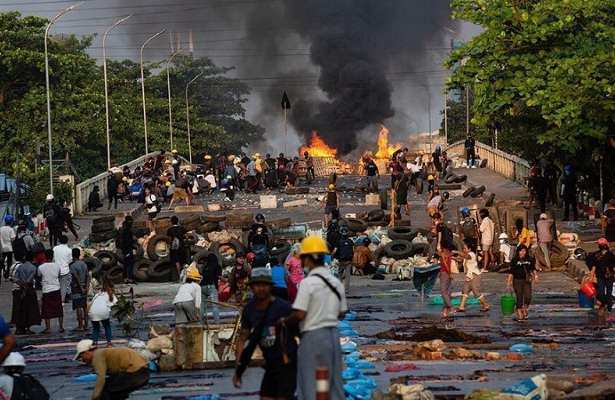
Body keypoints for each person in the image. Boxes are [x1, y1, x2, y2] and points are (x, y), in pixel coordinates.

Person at [281, 236, 347, 400]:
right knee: (331, 381)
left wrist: (284, 321)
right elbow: (342, 312)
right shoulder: (335, 282)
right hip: (332, 337)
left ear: (308, 258)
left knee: (311, 382)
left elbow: (300, 314)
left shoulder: (307, 283)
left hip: (313, 338)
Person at [233, 268, 297, 400]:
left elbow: (299, 333)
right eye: (257, 285)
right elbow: (243, 339)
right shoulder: (249, 310)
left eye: (264, 285)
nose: (261, 289)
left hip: (287, 364)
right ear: (251, 287)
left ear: (270, 287)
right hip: (270, 365)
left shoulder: (283, 307)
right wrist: (239, 368)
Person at [74, 339, 149, 400]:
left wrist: (94, 397)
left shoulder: (97, 355)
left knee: (105, 390)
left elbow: (101, 378)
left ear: (87, 352)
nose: (82, 360)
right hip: (141, 373)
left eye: (81, 357)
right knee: (112, 389)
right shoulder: (103, 353)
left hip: (136, 373)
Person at [454, 240, 490, 312]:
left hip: (475, 276)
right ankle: (461, 307)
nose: (464, 250)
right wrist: (452, 258)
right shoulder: (467, 255)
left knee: (476, 292)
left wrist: (457, 252)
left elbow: (465, 256)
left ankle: (486, 305)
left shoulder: (471, 254)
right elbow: (460, 259)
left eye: (465, 248)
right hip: (469, 276)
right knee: (465, 290)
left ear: (469, 249)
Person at [10, 253, 40, 335]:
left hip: (20, 288)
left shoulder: (20, 267)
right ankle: (27, 328)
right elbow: (29, 280)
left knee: (20, 309)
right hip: (29, 290)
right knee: (29, 309)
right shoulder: (33, 268)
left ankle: (20, 328)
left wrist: (21, 285)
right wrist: (25, 288)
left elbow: (15, 278)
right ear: (32, 259)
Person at [434, 213, 456, 319]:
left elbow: (445, 263)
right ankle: (445, 312)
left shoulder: (443, 253)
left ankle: (451, 308)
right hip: (444, 271)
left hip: (445, 272)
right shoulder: (449, 251)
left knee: (443, 292)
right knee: (447, 291)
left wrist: (449, 273)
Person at [38, 249, 64, 333]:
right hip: (56, 288)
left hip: (46, 290)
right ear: (52, 256)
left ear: (45, 256)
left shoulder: (41, 267)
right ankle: (61, 327)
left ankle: (48, 328)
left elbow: (39, 276)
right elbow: (59, 275)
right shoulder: (57, 266)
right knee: (59, 309)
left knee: (46, 310)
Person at [587, 238, 615, 312]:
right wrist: (591, 276)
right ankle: (604, 304)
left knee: (609, 293)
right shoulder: (596, 255)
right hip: (600, 276)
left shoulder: (610, 255)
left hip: (609, 276)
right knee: (601, 292)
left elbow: (613, 266)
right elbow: (594, 266)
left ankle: (608, 308)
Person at [89, 279, 117, 346]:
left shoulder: (98, 294)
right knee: (107, 326)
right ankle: (109, 342)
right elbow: (116, 305)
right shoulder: (110, 294)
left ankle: (95, 342)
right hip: (102, 311)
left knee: (96, 328)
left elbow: (92, 303)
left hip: (92, 311)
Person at [70, 248, 89, 331]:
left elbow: (76, 277)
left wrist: (81, 288)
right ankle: (86, 325)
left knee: (78, 307)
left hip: (77, 288)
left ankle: (80, 325)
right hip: (85, 286)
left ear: (72, 255)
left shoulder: (73, 266)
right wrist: (87, 287)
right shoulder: (84, 264)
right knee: (84, 306)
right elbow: (88, 276)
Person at [199, 253, 222, 324]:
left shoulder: (205, 267)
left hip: (202, 286)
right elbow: (219, 277)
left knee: (202, 306)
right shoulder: (217, 266)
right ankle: (217, 323)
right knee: (215, 306)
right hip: (211, 286)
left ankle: (201, 323)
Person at [333, 226, 354, 293]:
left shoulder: (338, 242)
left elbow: (335, 251)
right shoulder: (350, 241)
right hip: (348, 261)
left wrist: (332, 256)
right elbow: (353, 251)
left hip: (341, 261)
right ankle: (346, 289)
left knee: (339, 274)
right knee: (347, 276)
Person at [53, 235, 73, 303]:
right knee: (63, 287)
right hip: (65, 270)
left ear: (59, 241)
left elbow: (53, 259)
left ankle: (55, 299)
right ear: (67, 241)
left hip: (55, 270)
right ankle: (62, 301)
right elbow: (70, 260)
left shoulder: (55, 248)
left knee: (56, 285)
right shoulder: (69, 250)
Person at [117, 216, 136, 284]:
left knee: (126, 263)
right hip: (127, 249)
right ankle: (128, 278)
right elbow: (128, 241)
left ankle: (126, 278)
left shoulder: (123, 229)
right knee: (129, 263)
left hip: (125, 249)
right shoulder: (127, 230)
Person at [167, 216, 187, 280]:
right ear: (177, 221)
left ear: (171, 222)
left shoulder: (169, 230)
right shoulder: (182, 228)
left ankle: (179, 276)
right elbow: (185, 236)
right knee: (183, 261)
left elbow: (169, 239)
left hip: (174, 248)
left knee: (177, 261)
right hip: (182, 246)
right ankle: (185, 275)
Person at [0, 215, 15, 282]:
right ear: (11, 222)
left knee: (2, 261)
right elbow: (13, 239)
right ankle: (7, 275)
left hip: (2, 248)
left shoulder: (1, 228)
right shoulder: (11, 229)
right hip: (9, 248)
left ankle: (3, 271)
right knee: (9, 262)